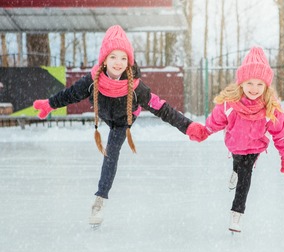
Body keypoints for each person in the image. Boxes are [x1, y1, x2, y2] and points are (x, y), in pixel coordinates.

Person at [33, 25, 208, 227]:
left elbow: (162, 108)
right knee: (110, 149)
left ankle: (99, 201)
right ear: (104, 59)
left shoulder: (136, 88)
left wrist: (187, 127)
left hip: (124, 120)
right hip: (105, 113)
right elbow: (70, 94)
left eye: (123, 58)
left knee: (111, 153)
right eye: (113, 57)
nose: (118, 62)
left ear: (129, 62)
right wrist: (49, 104)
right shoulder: (93, 80)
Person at [203, 47, 284, 233]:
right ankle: (235, 170)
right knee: (238, 164)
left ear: (267, 86)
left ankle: (237, 214)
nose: (254, 89)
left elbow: (281, 134)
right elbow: (214, 122)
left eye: (260, 85)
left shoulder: (270, 108)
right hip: (235, 144)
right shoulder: (230, 104)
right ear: (241, 83)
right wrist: (204, 131)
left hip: (254, 148)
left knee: (245, 175)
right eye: (250, 83)